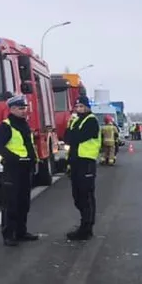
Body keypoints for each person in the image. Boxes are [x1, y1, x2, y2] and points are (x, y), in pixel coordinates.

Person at [0, 95, 39, 246]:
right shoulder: (6, 126)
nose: (24, 111)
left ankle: (21, 231)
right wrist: (14, 158)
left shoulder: (24, 124)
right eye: (20, 108)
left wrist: (34, 160)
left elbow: (28, 145)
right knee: (10, 203)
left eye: (24, 108)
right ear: (12, 109)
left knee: (23, 202)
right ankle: (9, 234)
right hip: (13, 169)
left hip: (26, 169)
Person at [65, 96, 100, 240]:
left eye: (81, 106)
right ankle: (84, 224)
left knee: (86, 196)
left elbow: (77, 137)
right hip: (75, 162)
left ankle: (86, 227)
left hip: (86, 162)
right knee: (77, 196)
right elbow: (67, 137)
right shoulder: (75, 121)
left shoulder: (91, 120)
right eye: (77, 106)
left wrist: (72, 135)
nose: (79, 109)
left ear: (87, 107)